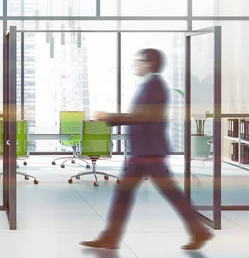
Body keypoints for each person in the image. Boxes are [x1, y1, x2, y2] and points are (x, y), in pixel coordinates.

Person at [81, 48, 214, 251]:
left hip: (148, 152)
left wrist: (109, 117)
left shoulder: (154, 86)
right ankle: (110, 237)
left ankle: (199, 231)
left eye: (139, 61)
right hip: (143, 151)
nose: (136, 64)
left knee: (167, 194)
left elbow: (141, 117)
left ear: (149, 63)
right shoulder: (151, 85)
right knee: (127, 195)